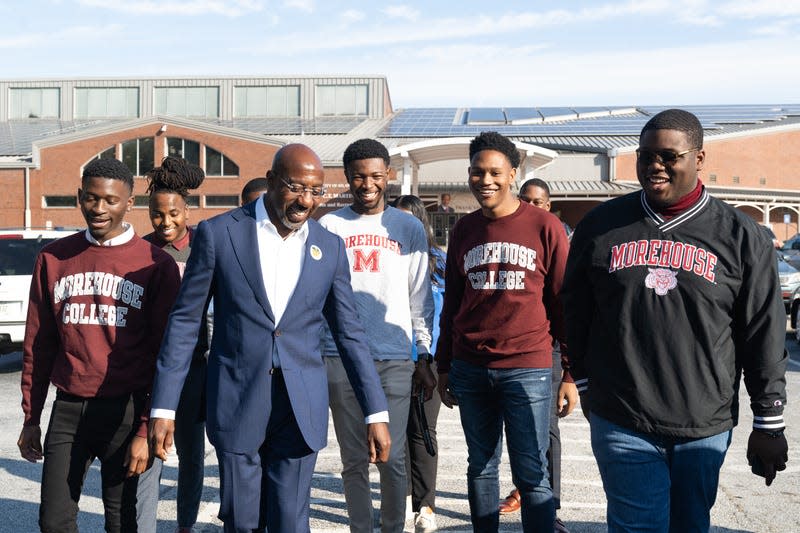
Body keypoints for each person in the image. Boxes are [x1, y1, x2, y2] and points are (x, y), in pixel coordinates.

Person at [561, 108, 789, 532]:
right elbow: (575, 313)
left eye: (669, 156)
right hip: (622, 416)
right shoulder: (600, 227)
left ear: (699, 158)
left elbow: (763, 332)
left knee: (690, 525)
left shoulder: (740, 235)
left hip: (704, 421)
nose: (654, 166)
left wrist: (769, 420)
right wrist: (585, 383)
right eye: (645, 156)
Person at [148, 143, 390, 533]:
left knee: (291, 522)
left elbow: (350, 334)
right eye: (296, 187)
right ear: (273, 179)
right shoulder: (219, 234)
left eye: (315, 191)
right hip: (237, 400)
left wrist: (375, 411)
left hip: (300, 408)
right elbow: (184, 323)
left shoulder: (328, 247)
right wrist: (163, 407)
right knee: (243, 523)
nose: (305, 200)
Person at [18, 158, 181, 532]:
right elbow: (38, 345)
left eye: (110, 200)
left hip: (127, 411)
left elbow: (165, 353)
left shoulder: (155, 264)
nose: (99, 209)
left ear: (129, 202)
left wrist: (145, 428)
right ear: (79, 198)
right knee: (54, 521)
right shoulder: (53, 257)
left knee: (123, 522)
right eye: (91, 198)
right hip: (69, 410)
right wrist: (31, 417)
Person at [436, 131, 571, 532]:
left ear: (512, 174)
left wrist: (568, 372)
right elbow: (451, 304)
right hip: (471, 367)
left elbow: (564, 304)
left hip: (527, 367)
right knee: (481, 468)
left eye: (495, 172)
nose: (486, 180)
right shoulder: (463, 231)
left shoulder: (545, 227)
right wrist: (444, 366)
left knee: (532, 474)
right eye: (477, 173)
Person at [320, 139, 434, 533]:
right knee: (353, 460)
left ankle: (392, 528)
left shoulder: (408, 226)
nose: (367, 184)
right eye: (358, 176)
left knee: (393, 457)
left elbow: (420, 295)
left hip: (394, 357)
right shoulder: (329, 226)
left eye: (374, 175)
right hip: (340, 357)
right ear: (347, 178)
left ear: (388, 175)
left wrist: (423, 351)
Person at [498, 178, 578, 533]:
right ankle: (523, 487)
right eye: (526, 199)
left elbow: (567, 300)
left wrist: (569, 371)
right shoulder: (513, 233)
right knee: (517, 426)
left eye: (539, 201)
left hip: (550, 345)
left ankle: (552, 506)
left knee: (545, 428)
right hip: (517, 346)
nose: (532, 205)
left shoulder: (561, 238)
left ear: (549, 205)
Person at [138, 156, 208, 533]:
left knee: (192, 455)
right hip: (152, 368)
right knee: (150, 451)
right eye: (157, 214)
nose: (166, 223)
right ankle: (144, 524)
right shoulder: (141, 251)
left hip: (197, 365)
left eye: (174, 213)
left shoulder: (204, 244)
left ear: (187, 208)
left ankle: (186, 525)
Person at [392, 194, 445, 533]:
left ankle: (425, 505)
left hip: (430, 359)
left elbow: (448, 312)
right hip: (392, 356)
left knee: (422, 431)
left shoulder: (439, 260)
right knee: (395, 435)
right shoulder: (388, 257)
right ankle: (401, 498)